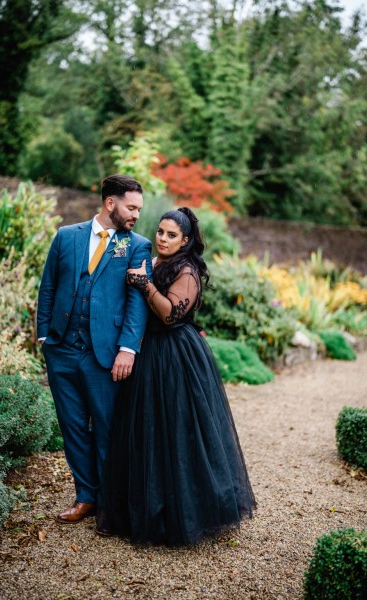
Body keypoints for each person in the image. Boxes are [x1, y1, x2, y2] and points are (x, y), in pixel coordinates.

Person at [96, 207, 256, 546]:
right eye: (161, 232)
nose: (163, 239)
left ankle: (181, 514)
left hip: (176, 357)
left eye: (171, 235)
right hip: (148, 353)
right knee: (146, 432)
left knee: (178, 432)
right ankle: (144, 510)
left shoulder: (187, 270)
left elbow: (171, 315)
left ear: (185, 240)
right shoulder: (154, 262)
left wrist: (144, 284)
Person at [37, 174, 152, 524]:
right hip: (61, 351)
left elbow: (137, 302)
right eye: (131, 207)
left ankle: (110, 501)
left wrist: (128, 349)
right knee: (72, 426)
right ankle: (85, 496)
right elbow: (48, 288)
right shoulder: (65, 237)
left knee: (106, 428)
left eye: (139, 209)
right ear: (110, 203)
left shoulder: (136, 245)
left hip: (105, 355)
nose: (136, 215)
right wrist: (45, 338)